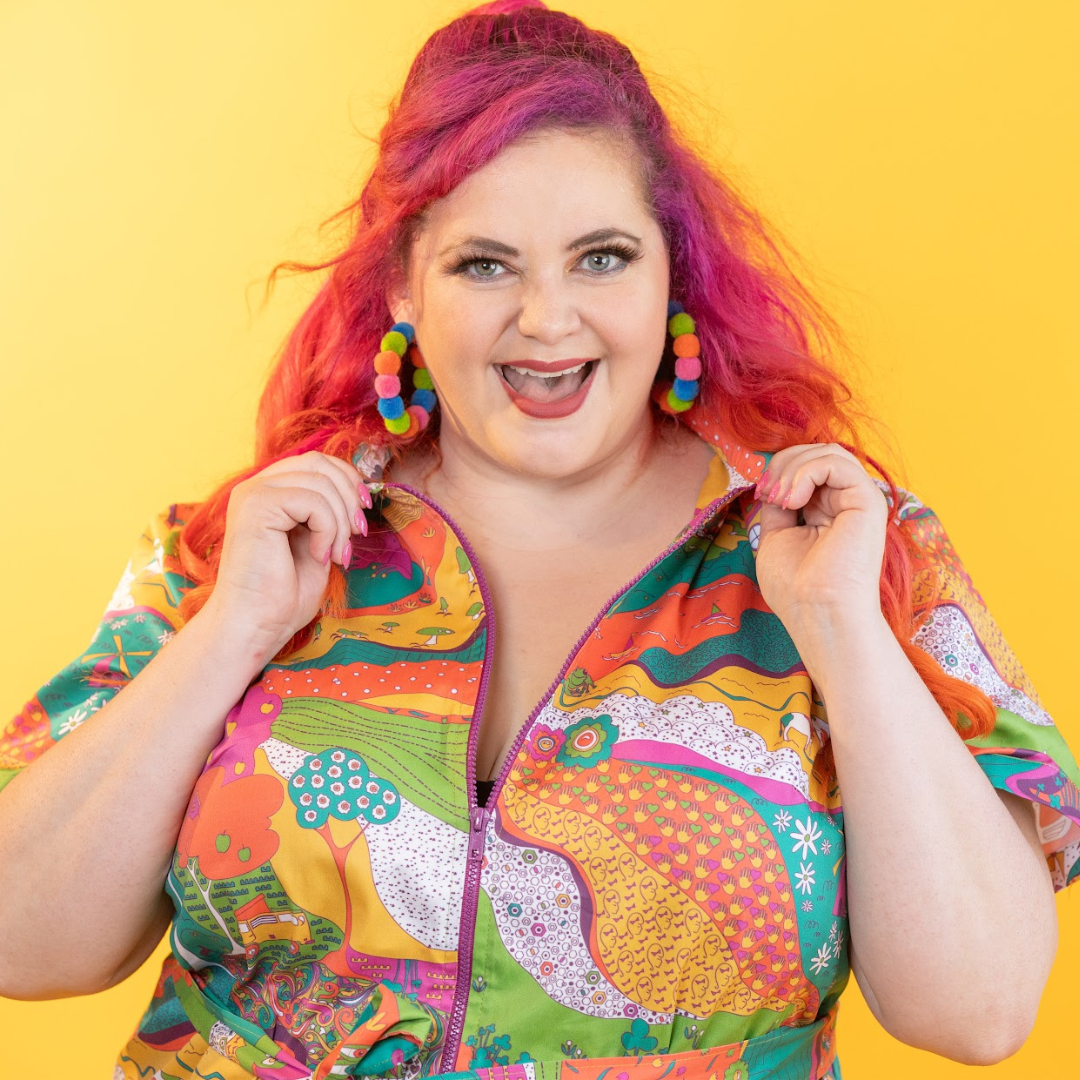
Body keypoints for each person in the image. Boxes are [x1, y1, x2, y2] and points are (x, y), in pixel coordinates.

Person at [0, 2, 1076, 1078]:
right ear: (402, 290)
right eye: (484, 265)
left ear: (673, 275)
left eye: (601, 257)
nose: (548, 320)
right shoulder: (242, 553)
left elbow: (976, 1013)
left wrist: (841, 631)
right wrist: (232, 633)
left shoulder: (848, 551)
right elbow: (24, 940)